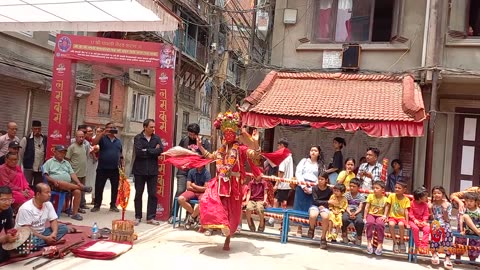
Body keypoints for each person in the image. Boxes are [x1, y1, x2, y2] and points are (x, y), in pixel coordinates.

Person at [196, 111, 284, 251]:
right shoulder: (221, 149)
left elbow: (255, 155)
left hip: (234, 185)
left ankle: (228, 238)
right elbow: (210, 156)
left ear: (235, 134)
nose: (227, 135)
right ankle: (210, 224)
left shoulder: (241, 149)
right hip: (220, 182)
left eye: (230, 133)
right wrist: (200, 146)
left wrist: (255, 142)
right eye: (226, 133)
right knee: (207, 199)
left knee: (231, 211)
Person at [168, 123, 210, 224]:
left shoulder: (204, 142)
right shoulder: (184, 140)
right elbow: (179, 152)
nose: (191, 136)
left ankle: (190, 217)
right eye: (189, 134)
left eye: (193, 135)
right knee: (180, 191)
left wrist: (196, 152)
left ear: (197, 134)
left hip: (197, 172)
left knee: (193, 192)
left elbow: (207, 156)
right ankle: (173, 215)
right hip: (184, 171)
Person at [43, 145, 92, 221]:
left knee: (78, 192)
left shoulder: (66, 163)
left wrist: (78, 182)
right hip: (54, 185)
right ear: (55, 152)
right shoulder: (49, 162)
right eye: (60, 152)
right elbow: (45, 175)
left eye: (64, 152)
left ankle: (75, 214)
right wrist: (53, 181)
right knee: (61, 182)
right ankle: (83, 188)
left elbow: (72, 174)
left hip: (68, 186)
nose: (62, 154)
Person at [16, 183, 70, 250]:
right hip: (27, 235)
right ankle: (51, 241)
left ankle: (48, 241)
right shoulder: (26, 208)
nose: (50, 195)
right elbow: (27, 229)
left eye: (50, 192)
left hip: (42, 233)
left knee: (63, 228)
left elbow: (53, 220)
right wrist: (45, 238)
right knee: (26, 243)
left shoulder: (48, 204)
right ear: (38, 194)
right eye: (47, 192)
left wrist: (54, 234)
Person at [132, 119, 163, 226]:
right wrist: (152, 150)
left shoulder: (156, 138)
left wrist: (147, 150)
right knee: (138, 194)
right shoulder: (138, 138)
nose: (153, 129)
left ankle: (151, 217)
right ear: (145, 127)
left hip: (152, 171)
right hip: (139, 170)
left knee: (152, 194)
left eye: (154, 127)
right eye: (151, 127)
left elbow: (160, 151)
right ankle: (138, 216)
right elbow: (139, 153)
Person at [91, 122, 124, 213]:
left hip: (114, 168)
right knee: (99, 187)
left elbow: (120, 153)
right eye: (110, 127)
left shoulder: (118, 141)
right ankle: (97, 205)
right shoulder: (102, 139)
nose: (112, 129)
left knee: (114, 187)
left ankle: (113, 205)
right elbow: (94, 143)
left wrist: (122, 163)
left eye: (114, 127)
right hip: (102, 167)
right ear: (106, 128)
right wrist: (103, 133)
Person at [293, 145, 325, 237]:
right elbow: (298, 173)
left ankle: (311, 229)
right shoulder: (304, 161)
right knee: (299, 207)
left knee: (311, 209)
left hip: (314, 188)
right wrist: (303, 186)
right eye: (312, 150)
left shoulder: (321, 165)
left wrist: (312, 189)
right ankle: (299, 228)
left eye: (315, 150)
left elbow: (321, 177)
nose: (313, 152)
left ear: (319, 153)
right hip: (301, 186)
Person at [267, 138, 294, 227]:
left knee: (281, 202)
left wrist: (277, 184)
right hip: (287, 183)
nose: (278, 147)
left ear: (282, 146)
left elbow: (281, 172)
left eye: (278, 145)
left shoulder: (284, 156)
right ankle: (273, 219)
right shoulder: (289, 156)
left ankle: (284, 223)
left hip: (283, 184)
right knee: (277, 201)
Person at [430, 186, 453, 269]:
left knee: (448, 232)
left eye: (439, 193)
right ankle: (435, 254)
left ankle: (447, 257)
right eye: (434, 193)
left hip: (445, 223)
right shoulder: (432, 204)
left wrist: (445, 209)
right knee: (435, 230)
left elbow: (447, 220)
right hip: (435, 223)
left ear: (443, 194)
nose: (436, 195)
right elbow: (431, 218)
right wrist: (430, 209)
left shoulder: (448, 204)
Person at [19, 120, 47, 187]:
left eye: (39, 129)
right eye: (35, 129)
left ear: (41, 129)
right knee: (26, 185)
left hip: (40, 168)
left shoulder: (45, 138)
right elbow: (21, 154)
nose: (37, 131)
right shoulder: (26, 139)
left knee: (38, 187)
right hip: (29, 167)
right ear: (32, 129)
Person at [308, 172, 332, 249]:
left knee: (325, 217)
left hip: (325, 207)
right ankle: (311, 228)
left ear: (326, 180)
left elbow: (331, 201)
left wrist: (324, 205)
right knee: (313, 215)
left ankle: (323, 237)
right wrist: (324, 203)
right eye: (319, 179)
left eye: (322, 179)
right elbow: (315, 200)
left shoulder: (330, 190)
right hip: (315, 205)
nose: (320, 181)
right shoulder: (314, 188)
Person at [66, 131, 89, 211]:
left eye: (83, 137)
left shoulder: (85, 146)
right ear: (76, 137)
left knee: (81, 192)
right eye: (80, 137)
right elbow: (67, 160)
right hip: (75, 174)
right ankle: (68, 207)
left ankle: (78, 207)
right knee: (74, 191)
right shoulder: (72, 147)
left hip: (83, 173)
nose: (81, 138)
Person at [385, 180, 410, 254]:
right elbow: (387, 206)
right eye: (396, 187)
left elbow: (406, 211)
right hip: (392, 216)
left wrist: (407, 222)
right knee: (391, 224)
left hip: (401, 218)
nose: (396, 189)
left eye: (399, 188)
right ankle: (395, 242)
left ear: (404, 190)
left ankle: (402, 242)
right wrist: (385, 216)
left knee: (401, 224)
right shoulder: (391, 196)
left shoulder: (406, 199)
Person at [363, 180, 387, 256]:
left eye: (377, 188)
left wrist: (385, 216)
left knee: (380, 225)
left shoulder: (385, 199)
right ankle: (369, 242)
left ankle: (380, 244)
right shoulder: (370, 196)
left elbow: (387, 208)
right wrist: (364, 217)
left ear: (382, 190)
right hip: (371, 214)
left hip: (380, 215)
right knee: (369, 223)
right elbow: (366, 207)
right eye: (374, 188)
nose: (375, 190)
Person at [341, 178, 365, 245]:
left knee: (360, 221)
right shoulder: (346, 195)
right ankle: (344, 235)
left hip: (357, 211)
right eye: (350, 186)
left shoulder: (361, 196)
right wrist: (349, 213)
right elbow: (345, 205)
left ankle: (359, 237)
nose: (351, 188)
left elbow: (360, 207)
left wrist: (355, 213)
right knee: (344, 219)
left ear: (358, 187)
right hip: (348, 210)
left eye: (354, 186)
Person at [458, 192, 480, 262]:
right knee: (460, 241)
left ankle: (472, 259)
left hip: (476, 229)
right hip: (466, 229)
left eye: (471, 201)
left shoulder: (478, 211)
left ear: (476, 202)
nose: (469, 203)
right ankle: (458, 258)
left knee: (475, 243)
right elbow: (461, 220)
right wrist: (461, 230)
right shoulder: (464, 209)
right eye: (467, 201)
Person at [408, 186, 430, 254]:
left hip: (421, 221)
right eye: (425, 197)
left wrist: (424, 221)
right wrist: (414, 220)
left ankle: (424, 245)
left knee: (427, 229)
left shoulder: (425, 205)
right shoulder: (411, 203)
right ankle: (417, 245)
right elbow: (410, 213)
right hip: (413, 221)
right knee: (415, 228)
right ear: (420, 198)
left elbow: (426, 214)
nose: (427, 198)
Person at [0, 186, 19, 263]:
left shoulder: (8, 210)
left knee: (26, 247)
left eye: (10, 200)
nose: (7, 203)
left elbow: (9, 229)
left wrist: (13, 236)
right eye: (4, 200)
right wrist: (4, 239)